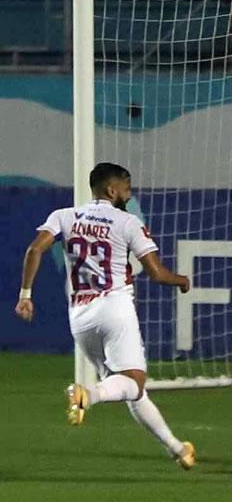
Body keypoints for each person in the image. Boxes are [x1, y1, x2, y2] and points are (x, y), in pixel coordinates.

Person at [14, 162, 195, 468]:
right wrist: (182, 281)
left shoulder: (64, 216)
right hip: (115, 307)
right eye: (126, 187)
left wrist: (25, 296)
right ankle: (88, 395)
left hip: (81, 315)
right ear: (112, 190)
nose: (129, 193)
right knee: (133, 382)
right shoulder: (128, 222)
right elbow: (156, 273)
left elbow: (35, 250)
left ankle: (178, 450)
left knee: (129, 390)